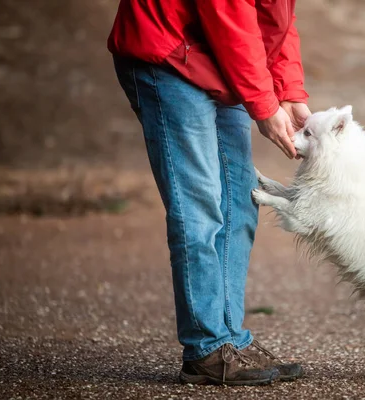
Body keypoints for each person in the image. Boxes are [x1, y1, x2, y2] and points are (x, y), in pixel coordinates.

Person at [108, 0, 310, 386]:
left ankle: (229, 340)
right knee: (199, 206)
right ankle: (205, 348)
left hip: (216, 58)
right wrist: (264, 105)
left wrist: (289, 90)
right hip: (168, 52)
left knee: (239, 202)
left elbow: (276, 15)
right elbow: (229, 13)